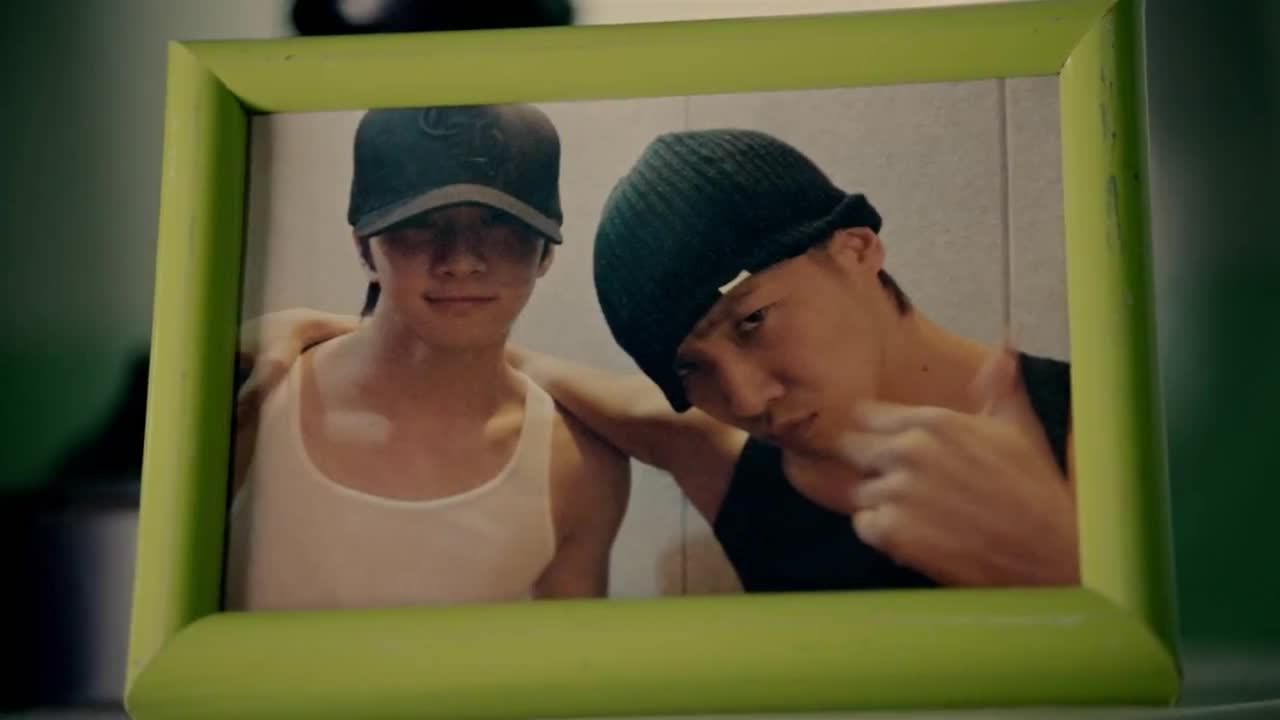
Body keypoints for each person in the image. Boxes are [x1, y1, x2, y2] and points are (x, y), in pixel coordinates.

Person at [238, 128, 1076, 593]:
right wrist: (318, 328)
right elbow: (506, 358)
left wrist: (1064, 561)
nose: (745, 396)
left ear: (855, 247)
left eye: (751, 321)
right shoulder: (722, 458)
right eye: (691, 371)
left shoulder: (1109, 423)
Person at [224, 103, 630, 612]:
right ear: (364, 248)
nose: (461, 260)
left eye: (498, 223)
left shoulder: (577, 463)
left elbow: (570, 657)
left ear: (546, 251)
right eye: (421, 223)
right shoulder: (253, 403)